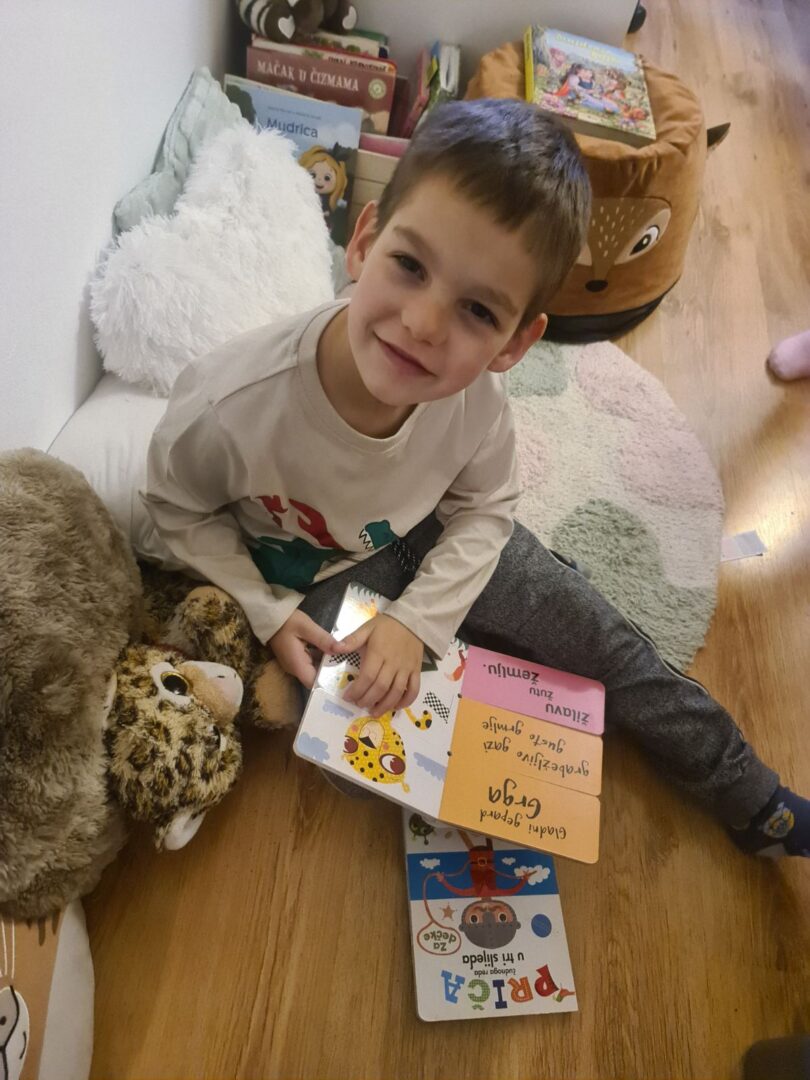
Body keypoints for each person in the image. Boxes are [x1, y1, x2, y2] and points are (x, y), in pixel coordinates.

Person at [142, 99, 809, 859]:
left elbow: (488, 506)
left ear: (516, 343)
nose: (424, 324)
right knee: (366, 747)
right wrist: (266, 611)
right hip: (322, 577)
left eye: (478, 311)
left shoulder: (478, 397)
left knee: (603, 640)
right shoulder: (234, 402)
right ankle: (485, 635)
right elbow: (172, 505)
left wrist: (418, 621)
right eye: (410, 265)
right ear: (364, 241)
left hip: (442, 529)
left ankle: (752, 800)